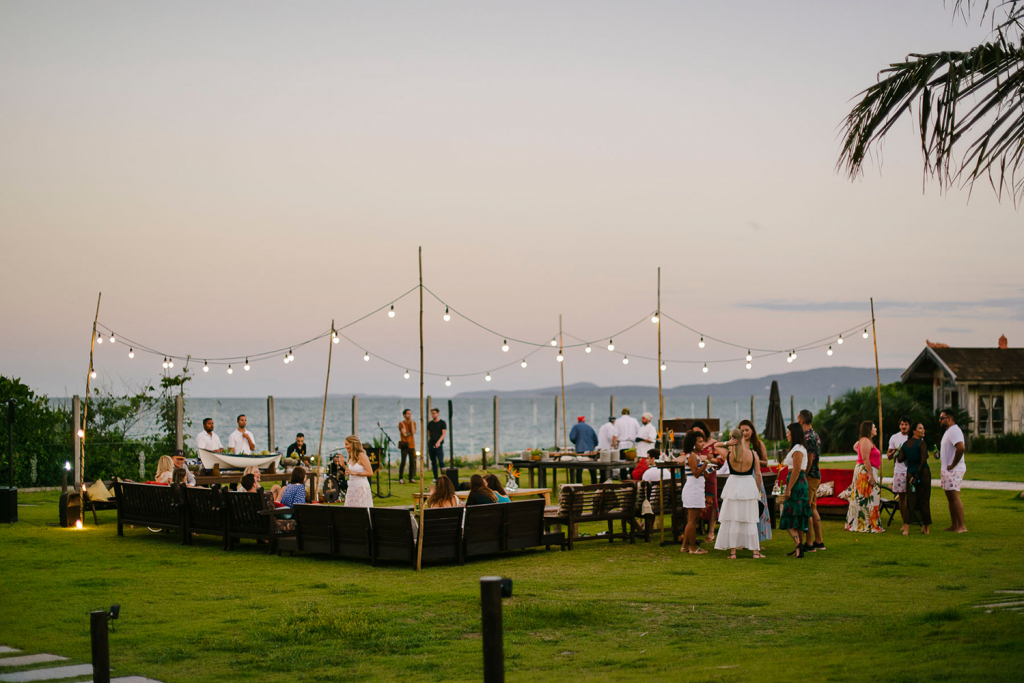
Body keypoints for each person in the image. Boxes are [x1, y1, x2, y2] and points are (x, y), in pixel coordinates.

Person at [715, 428, 765, 559]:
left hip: (733, 485)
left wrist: (727, 443)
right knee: (750, 518)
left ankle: (733, 552)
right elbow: (758, 474)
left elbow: (715, 445)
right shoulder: (753, 454)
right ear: (742, 438)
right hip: (748, 484)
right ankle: (755, 551)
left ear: (732, 439)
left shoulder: (729, 454)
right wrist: (758, 490)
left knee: (733, 518)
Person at [779, 423, 812, 557]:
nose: (786, 434)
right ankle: (798, 548)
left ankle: (798, 543)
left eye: (788, 432)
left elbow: (797, 470)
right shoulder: (796, 448)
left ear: (794, 433)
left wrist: (789, 489)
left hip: (797, 483)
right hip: (797, 481)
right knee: (796, 516)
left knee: (788, 515)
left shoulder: (798, 449)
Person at [690, 420, 727, 543]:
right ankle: (694, 528)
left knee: (712, 502)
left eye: (699, 432)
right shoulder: (693, 444)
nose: (697, 435)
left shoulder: (714, 444)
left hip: (710, 475)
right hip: (697, 476)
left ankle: (711, 532)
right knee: (696, 500)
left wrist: (707, 459)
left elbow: (721, 461)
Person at [846, 421, 885, 533]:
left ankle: (866, 523)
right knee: (866, 498)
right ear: (869, 429)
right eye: (874, 427)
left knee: (867, 497)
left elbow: (855, 447)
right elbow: (865, 458)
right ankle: (866, 524)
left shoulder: (865, 441)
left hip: (866, 470)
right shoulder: (866, 441)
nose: (876, 429)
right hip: (866, 471)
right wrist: (871, 475)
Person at [738, 420, 772, 544]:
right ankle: (743, 539)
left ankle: (757, 539)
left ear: (752, 430)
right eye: (742, 431)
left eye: (747, 430)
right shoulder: (738, 444)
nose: (745, 433)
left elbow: (765, 462)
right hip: (742, 477)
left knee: (758, 507)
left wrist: (754, 459)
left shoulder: (758, 444)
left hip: (755, 477)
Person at [897, 421, 932, 535]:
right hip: (923, 474)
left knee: (910, 500)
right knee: (924, 500)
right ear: (914, 431)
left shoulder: (905, 444)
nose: (923, 430)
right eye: (921, 428)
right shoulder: (921, 443)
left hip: (910, 473)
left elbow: (900, 459)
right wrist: (917, 475)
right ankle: (926, 528)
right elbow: (923, 461)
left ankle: (906, 528)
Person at [798, 410, 826, 552]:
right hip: (816, 474)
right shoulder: (815, 435)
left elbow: (809, 459)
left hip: (810, 475)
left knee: (807, 508)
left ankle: (809, 543)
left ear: (801, 420)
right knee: (813, 508)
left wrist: (804, 474)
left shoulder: (807, 437)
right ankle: (819, 541)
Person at [680, 430, 711, 555]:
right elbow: (696, 473)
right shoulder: (692, 456)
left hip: (696, 489)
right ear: (693, 444)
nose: (703, 444)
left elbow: (705, 475)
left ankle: (684, 546)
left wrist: (708, 467)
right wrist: (706, 462)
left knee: (694, 519)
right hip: (693, 490)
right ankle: (692, 548)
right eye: (700, 442)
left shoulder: (695, 456)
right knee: (693, 520)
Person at [939, 409, 967, 533]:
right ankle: (954, 525)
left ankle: (962, 526)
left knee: (954, 496)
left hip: (954, 470)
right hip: (947, 470)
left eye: (942, 418)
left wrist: (953, 464)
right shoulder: (948, 432)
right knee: (950, 497)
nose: (939, 421)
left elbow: (961, 447)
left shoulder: (954, 430)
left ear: (949, 419)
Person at [887, 417, 912, 535]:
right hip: (899, 471)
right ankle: (904, 522)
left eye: (906, 424)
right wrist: (894, 452)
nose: (904, 426)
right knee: (902, 497)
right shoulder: (894, 438)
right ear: (899, 426)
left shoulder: (914, 437)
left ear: (909, 426)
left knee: (912, 496)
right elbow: (888, 456)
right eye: (902, 424)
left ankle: (913, 521)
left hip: (911, 470)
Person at [343, 435, 374, 508]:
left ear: (353, 444)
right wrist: (343, 466)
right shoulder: (350, 457)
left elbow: (370, 472)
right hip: (351, 489)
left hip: (360, 488)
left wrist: (355, 473)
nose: (345, 447)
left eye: (347, 444)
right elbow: (350, 472)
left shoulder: (362, 456)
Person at [426, 408, 447, 483]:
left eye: (434, 413)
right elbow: (428, 434)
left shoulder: (442, 423)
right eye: (432, 413)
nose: (433, 415)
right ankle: (435, 477)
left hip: (439, 444)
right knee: (433, 461)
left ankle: (444, 477)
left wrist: (438, 442)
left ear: (438, 413)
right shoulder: (430, 423)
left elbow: (443, 434)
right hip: (431, 444)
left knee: (441, 461)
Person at [398, 409, 417, 484]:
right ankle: (401, 478)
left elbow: (414, 431)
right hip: (405, 445)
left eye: (410, 414)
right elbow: (404, 434)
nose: (409, 415)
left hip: (412, 445)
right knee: (403, 462)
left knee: (412, 462)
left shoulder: (413, 423)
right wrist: (410, 433)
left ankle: (411, 478)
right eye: (408, 414)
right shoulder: (401, 423)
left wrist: (412, 422)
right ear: (404, 415)